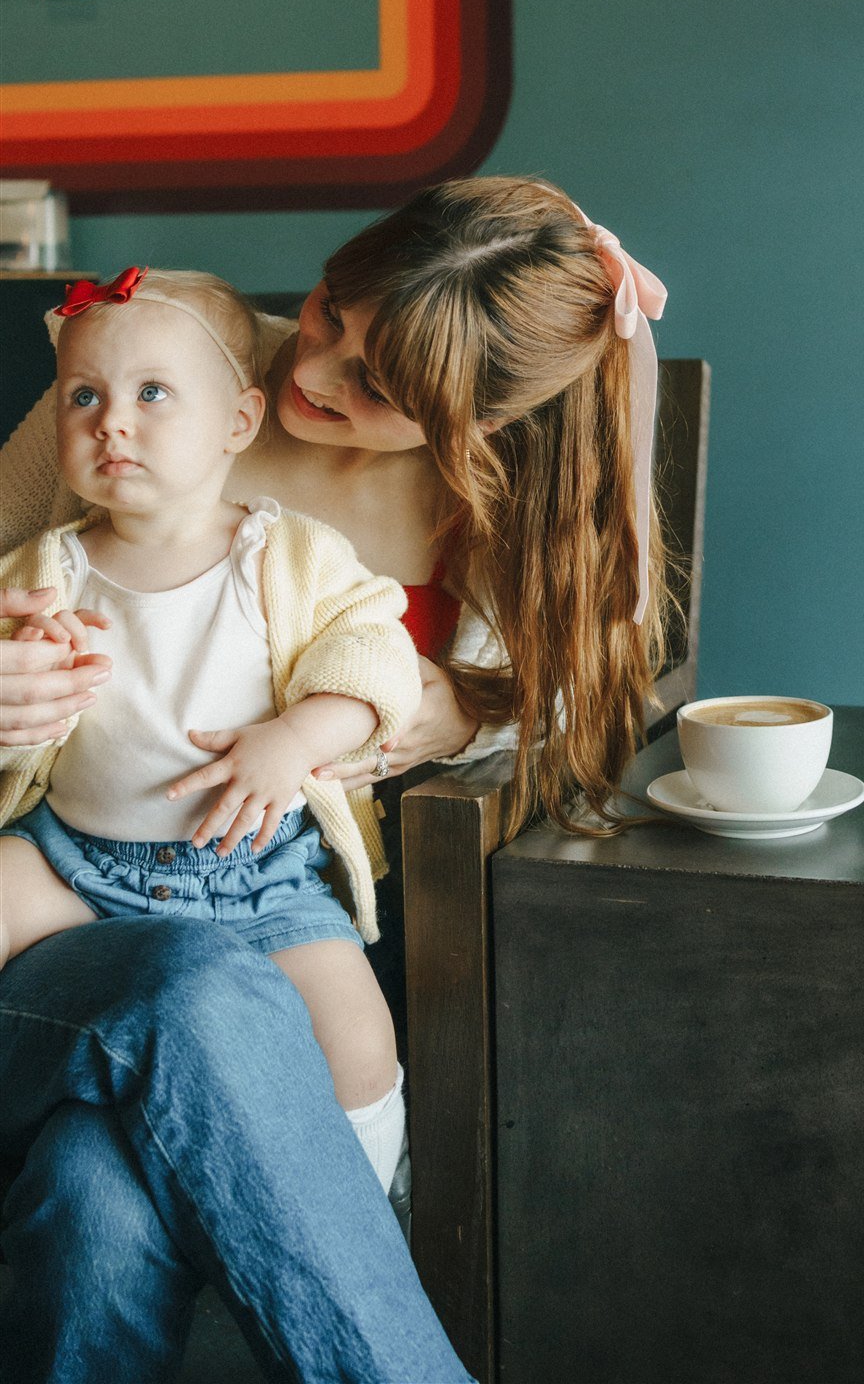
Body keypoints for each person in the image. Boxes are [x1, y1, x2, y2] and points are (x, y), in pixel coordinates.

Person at [0, 173, 668, 1384]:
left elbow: (562, 687)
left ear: (473, 426)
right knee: (200, 987)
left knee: (95, 1192)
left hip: (257, 900)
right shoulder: (172, 361)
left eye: (374, 387)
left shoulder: (498, 503)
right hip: (62, 893)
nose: (316, 374)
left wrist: (441, 703)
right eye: (326, 316)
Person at [0, 265, 420, 1208]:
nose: (112, 420)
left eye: (151, 394)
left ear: (237, 422)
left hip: (255, 876)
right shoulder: (42, 569)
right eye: (83, 395)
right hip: (76, 869)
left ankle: (353, 1206)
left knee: (355, 1035)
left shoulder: (289, 553)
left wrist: (299, 736)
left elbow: (374, 651)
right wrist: (25, 655)